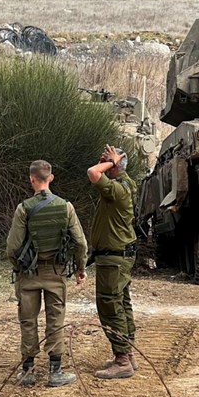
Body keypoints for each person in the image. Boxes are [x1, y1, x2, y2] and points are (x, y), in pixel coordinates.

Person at [6, 160, 87, 388]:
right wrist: (80, 269)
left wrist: (19, 267)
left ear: (32, 179)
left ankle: (28, 371)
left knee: (28, 320)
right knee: (55, 320)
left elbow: (12, 247)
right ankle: (55, 370)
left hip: (29, 274)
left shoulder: (24, 208)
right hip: (56, 271)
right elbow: (80, 243)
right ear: (51, 178)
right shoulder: (66, 207)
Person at [87, 144, 139, 380]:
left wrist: (112, 161)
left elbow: (92, 173)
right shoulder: (125, 184)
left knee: (109, 305)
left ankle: (122, 360)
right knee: (122, 303)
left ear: (116, 166)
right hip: (119, 255)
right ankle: (128, 354)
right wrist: (112, 161)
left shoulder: (117, 189)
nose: (102, 163)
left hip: (114, 257)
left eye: (106, 161)